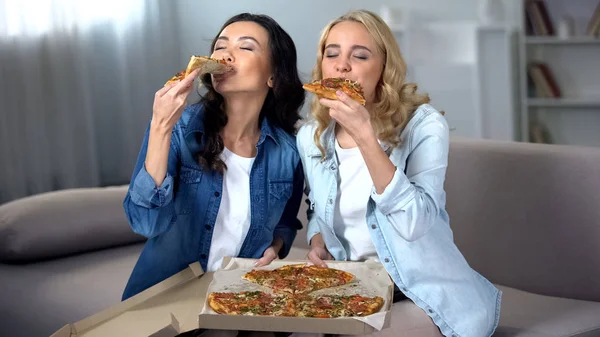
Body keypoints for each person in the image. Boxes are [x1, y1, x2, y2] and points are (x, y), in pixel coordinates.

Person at [296, 10, 502, 337]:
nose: (341, 65)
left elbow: (414, 223)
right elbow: (316, 206)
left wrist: (365, 136)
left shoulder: (424, 125)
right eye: (331, 54)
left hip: (423, 294)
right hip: (353, 290)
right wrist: (318, 239)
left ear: (384, 68)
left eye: (359, 55)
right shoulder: (311, 137)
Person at [122, 13, 305, 303]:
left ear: (273, 75)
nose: (226, 55)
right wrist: (160, 126)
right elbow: (146, 223)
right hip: (166, 300)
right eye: (221, 47)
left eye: (245, 47)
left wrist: (278, 244)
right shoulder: (179, 126)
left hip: (239, 297)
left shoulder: (290, 150)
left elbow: (286, 219)